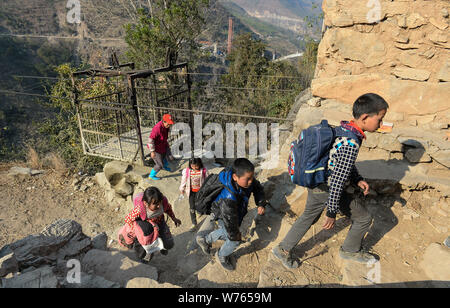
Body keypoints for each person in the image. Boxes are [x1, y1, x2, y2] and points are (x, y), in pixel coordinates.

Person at [272, 93, 389, 269]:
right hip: (329, 189)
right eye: (379, 120)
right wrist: (332, 211)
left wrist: (357, 179)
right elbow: (338, 180)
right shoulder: (352, 142)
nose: (381, 125)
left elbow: (340, 163)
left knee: (308, 215)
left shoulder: (345, 129)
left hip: (317, 182)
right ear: (365, 117)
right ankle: (349, 250)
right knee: (364, 218)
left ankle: (283, 248)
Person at [195, 158, 267, 271]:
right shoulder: (228, 197)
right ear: (235, 177)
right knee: (234, 240)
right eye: (247, 179)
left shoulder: (246, 181)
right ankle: (222, 255)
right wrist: (235, 236)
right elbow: (231, 222)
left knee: (228, 233)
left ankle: (206, 240)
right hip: (222, 214)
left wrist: (261, 203)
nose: (251, 181)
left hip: (234, 211)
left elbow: (257, 188)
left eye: (252, 177)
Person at [119, 186, 181, 261]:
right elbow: (128, 219)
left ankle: (162, 247)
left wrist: (174, 218)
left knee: (168, 243)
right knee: (146, 246)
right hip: (147, 228)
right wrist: (136, 230)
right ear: (146, 203)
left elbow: (168, 209)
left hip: (160, 223)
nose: (158, 206)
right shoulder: (140, 210)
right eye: (155, 204)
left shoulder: (163, 204)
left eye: (159, 202)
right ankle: (144, 258)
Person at [179, 157, 209, 231]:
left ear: (200, 164)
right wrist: (182, 188)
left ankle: (199, 211)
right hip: (191, 192)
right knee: (192, 207)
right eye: (193, 166)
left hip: (200, 192)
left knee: (200, 204)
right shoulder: (187, 171)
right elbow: (184, 180)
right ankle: (194, 223)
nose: (195, 168)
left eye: (196, 166)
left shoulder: (204, 170)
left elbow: (208, 180)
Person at [148, 114, 175, 180]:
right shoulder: (157, 128)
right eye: (168, 124)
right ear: (164, 121)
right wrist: (152, 151)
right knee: (159, 165)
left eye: (170, 124)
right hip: (156, 148)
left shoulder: (166, 127)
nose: (169, 126)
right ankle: (151, 175)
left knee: (170, 157)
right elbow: (151, 140)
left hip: (164, 144)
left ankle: (164, 166)